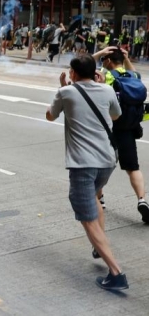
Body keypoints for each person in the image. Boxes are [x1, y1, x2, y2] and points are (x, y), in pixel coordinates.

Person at [45, 55, 127, 291]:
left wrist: (61, 91)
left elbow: (51, 115)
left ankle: (116, 272)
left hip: (83, 164)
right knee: (94, 197)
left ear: (72, 73)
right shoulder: (107, 90)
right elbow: (115, 116)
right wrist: (100, 86)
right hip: (107, 161)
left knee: (87, 218)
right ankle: (99, 247)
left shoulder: (65, 93)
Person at [92, 46, 149, 221]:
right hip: (129, 129)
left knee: (100, 166)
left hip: (108, 129)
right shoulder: (134, 77)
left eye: (104, 60)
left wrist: (100, 53)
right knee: (133, 168)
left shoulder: (105, 76)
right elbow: (134, 74)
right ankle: (142, 199)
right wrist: (126, 59)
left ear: (108, 61)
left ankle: (99, 200)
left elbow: (81, 66)